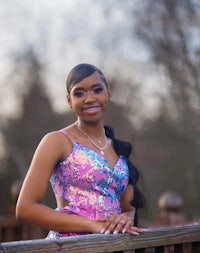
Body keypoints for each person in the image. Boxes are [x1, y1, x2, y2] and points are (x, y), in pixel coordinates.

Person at [16, 63, 145, 238]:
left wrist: (127, 218)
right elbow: (25, 208)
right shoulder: (57, 141)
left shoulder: (118, 148)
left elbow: (127, 207)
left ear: (109, 94)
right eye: (79, 93)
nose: (89, 98)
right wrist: (91, 225)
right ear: (69, 101)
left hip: (116, 252)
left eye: (97, 90)